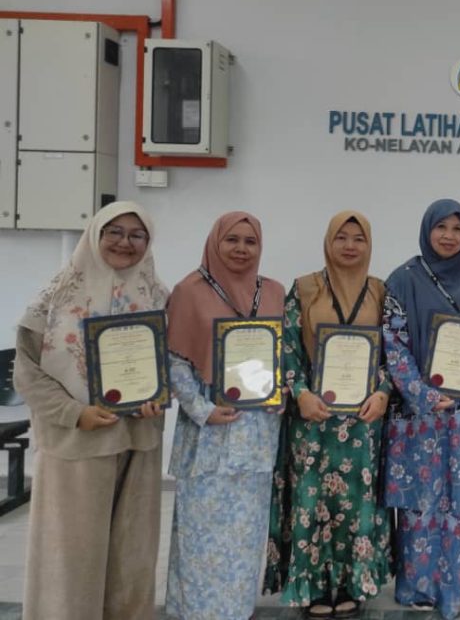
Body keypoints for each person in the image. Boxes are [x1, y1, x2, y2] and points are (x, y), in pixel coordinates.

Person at [14, 201, 168, 620]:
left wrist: (158, 398)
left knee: (131, 559)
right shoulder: (58, 295)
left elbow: (172, 364)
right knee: (71, 558)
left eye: (137, 235)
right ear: (95, 234)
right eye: (114, 232)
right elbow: (26, 372)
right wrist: (73, 413)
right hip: (75, 443)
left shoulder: (157, 295)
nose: (125, 242)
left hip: (137, 443)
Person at [264, 211, 392, 618]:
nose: (350, 245)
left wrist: (384, 392)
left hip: (362, 422)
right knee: (312, 499)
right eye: (342, 237)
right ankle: (315, 586)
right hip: (313, 419)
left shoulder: (380, 291)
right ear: (328, 241)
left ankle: (352, 583)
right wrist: (300, 393)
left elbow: (394, 349)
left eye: (359, 238)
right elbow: (286, 345)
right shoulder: (304, 288)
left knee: (356, 504)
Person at [164, 211, 286, 620]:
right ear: (215, 242)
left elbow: (282, 354)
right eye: (231, 240)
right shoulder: (189, 291)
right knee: (201, 533)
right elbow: (175, 361)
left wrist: (282, 390)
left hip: (257, 433)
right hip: (209, 432)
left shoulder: (273, 292)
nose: (241, 249)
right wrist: (202, 409)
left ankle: (236, 609)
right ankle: (198, 611)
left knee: (245, 533)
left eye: (250, 241)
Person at [382, 199, 460, 619]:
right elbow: (393, 345)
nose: (449, 236)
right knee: (422, 497)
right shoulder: (402, 279)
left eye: (458, 229)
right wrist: (422, 394)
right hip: (421, 409)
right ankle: (419, 581)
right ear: (427, 230)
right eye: (441, 227)